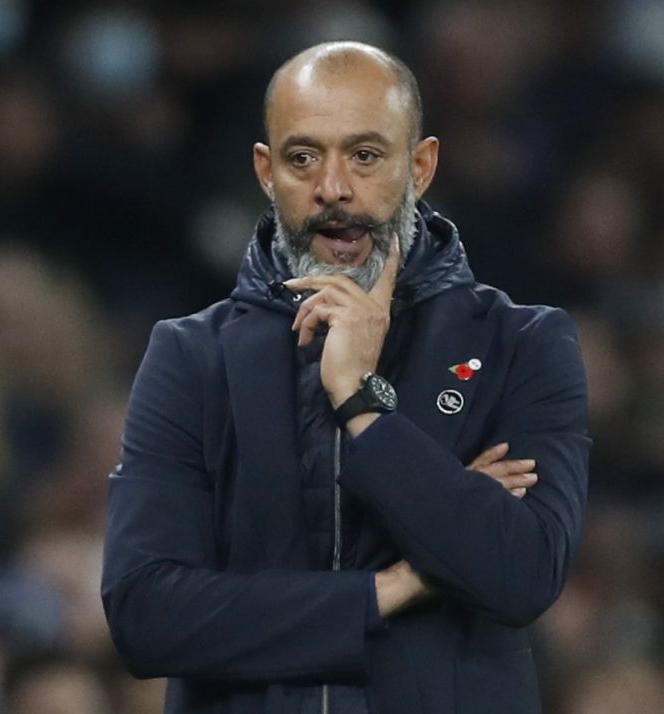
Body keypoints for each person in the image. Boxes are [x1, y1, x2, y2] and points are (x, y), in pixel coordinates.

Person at [102, 41, 590, 714]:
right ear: (267, 173)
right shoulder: (191, 356)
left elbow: (522, 574)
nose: (333, 187)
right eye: (304, 158)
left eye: (365, 155)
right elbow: (145, 615)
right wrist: (391, 588)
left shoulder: (520, 343)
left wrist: (362, 404)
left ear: (419, 166)